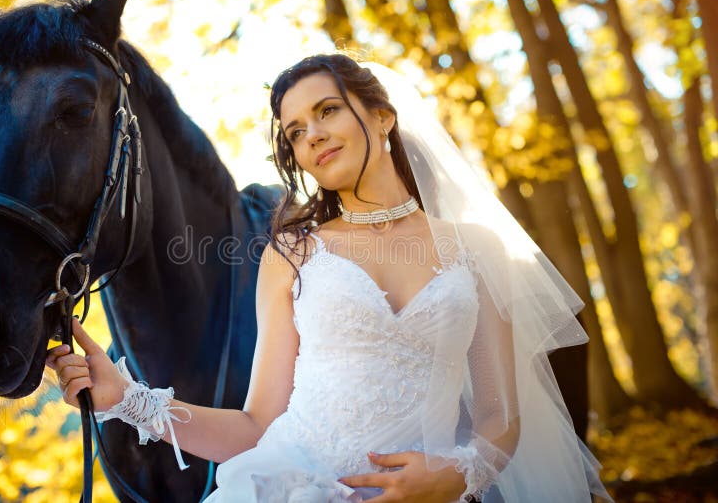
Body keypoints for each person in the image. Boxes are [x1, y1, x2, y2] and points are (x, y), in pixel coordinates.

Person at [47, 54, 613, 502]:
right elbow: (255, 425)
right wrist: (128, 399)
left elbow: (498, 417)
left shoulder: (475, 249)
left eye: (327, 111)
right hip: (293, 490)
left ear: (383, 117)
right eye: (294, 131)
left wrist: (456, 477)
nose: (311, 135)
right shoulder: (292, 254)